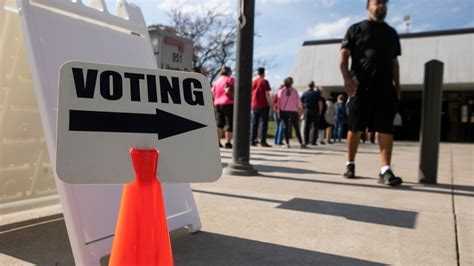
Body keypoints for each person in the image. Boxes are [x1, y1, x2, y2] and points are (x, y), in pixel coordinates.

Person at [339, 0, 402, 186]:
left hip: (385, 88)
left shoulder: (391, 33)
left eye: (384, 3)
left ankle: (385, 170)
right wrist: (347, 79)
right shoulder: (356, 29)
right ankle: (350, 164)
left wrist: (397, 85)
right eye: (376, 2)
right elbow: (343, 55)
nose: (381, 6)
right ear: (368, 6)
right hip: (360, 86)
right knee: (355, 127)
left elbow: (394, 62)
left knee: (386, 129)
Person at [277, 77, 306, 149]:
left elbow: (279, 101)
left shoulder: (281, 91)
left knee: (286, 128)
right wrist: (299, 109)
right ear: (292, 83)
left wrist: (279, 110)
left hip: (284, 111)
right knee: (296, 128)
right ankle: (301, 143)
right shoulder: (295, 91)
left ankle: (287, 144)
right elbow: (298, 102)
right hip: (293, 111)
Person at [212, 66, 235, 149]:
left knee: (219, 123)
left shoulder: (216, 81)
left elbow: (213, 93)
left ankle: (217, 142)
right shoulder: (230, 79)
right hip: (229, 103)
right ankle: (228, 143)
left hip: (217, 103)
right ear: (229, 72)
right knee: (230, 123)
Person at [251, 67, 273, 147]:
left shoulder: (253, 82)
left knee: (254, 124)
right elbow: (267, 94)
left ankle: (252, 140)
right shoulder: (264, 81)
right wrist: (270, 104)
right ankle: (263, 141)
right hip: (263, 105)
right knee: (264, 124)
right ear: (263, 73)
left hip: (254, 105)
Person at [300, 81, 323, 145]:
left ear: (308, 86)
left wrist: (302, 112)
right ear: (314, 86)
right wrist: (320, 111)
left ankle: (306, 141)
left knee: (306, 126)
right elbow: (320, 103)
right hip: (315, 110)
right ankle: (313, 141)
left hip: (307, 110)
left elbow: (301, 104)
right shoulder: (316, 94)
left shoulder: (304, 93)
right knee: (315, 126)